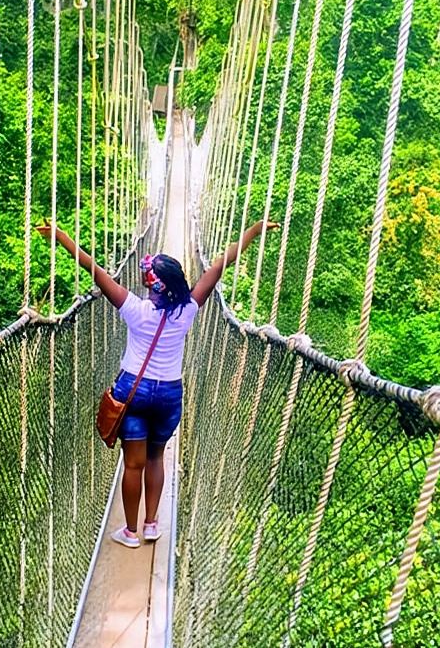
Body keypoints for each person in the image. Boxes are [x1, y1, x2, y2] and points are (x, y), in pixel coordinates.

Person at [36, 217, 276, 548]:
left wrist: (61, 237)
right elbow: (220, 267)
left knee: (132, 464)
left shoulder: (134, 309)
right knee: (156, 458)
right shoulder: (189, 308)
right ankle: (151, 525)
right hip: (168, 394)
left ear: (151, 286)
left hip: (132, 390)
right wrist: (251, 233)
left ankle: (130, 532)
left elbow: (95, 271)